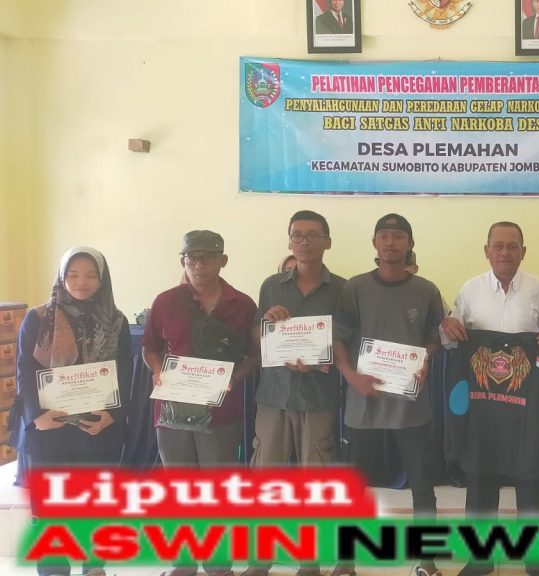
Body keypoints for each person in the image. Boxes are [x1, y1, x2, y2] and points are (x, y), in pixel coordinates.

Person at [441, 221, 539, 576]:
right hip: (483, 407)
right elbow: (450, 339)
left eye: (512, 246)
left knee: (530, 480)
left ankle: (534, 559)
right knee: (479, 481)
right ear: (487, 251)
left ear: (523, 251)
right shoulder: (470, 289)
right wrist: (447, 326)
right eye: (498, 245)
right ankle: (480, 559)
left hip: (525, 405)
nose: (505, 252)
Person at [142, 230, 259, 576]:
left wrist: (234, 378)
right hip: (171, 411)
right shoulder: (166, 301)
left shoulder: (243, 305)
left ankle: (218, 564)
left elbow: (255, 355)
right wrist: (157, 371)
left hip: (221, 412)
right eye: (191, 258)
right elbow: (149, 347)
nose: (198, 265)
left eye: (207, 258)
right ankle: (184, 563)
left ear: (223, 261)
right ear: (183, 261)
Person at [335, 213, 446, 576]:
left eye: (398, 236)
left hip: (409, 405)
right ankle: (345, 562)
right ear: (375, 243)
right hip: (363, 402)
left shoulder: (426, 290)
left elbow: (435, 338)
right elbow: (338, 339)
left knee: (422, 485)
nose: (391, 242)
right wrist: (351, 376)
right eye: (384, 235)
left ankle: (426, 560)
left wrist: (426, 357)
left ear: (410, 243)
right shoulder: (354, 288)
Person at [243, 210, 347, 576]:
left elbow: (347, 341)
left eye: (313, 235)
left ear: (327, 242)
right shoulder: (271, 286)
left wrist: (320, 359)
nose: (304, 241)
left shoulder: (343, 289)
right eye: (297, 235)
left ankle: (309, 561)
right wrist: (266, 323)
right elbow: (255, 337)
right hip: (274, 395)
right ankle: (260, 560)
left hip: (318, 396)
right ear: (289, 241)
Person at [16, 247, 131, 576]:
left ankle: (93, 567)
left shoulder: (116, 321)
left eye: (91, 275)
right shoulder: (38, 318)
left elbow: (125, 372)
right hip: (49, 429)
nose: (82, 282)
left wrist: (112, 415)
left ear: (102, 279)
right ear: (62, 277)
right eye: (74, 274)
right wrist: (36, 415)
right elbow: (24, 370)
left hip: (97, 428)